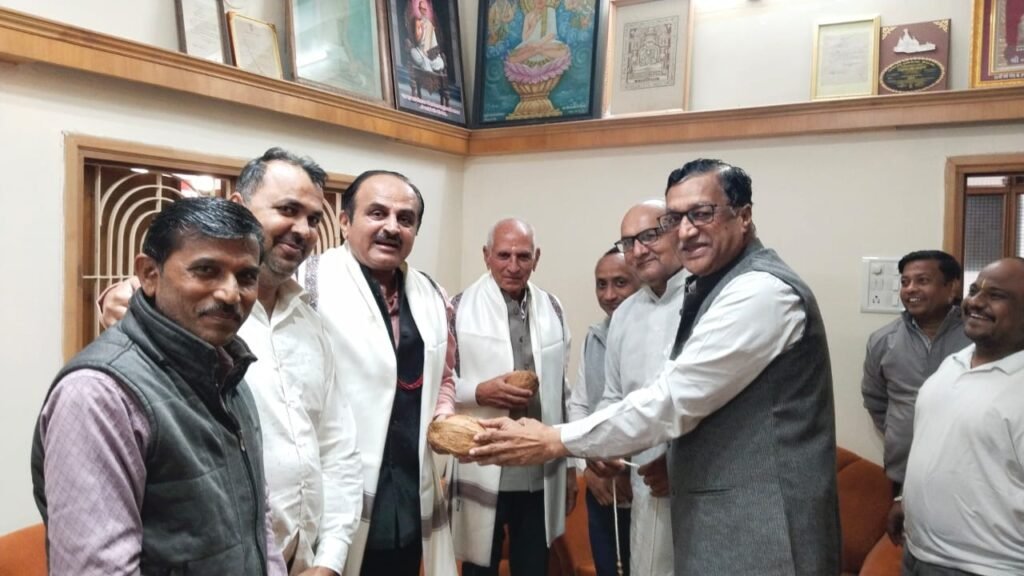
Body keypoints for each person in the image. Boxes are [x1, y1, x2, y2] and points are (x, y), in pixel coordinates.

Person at [469, 158, 842, 576]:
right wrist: (599, 451)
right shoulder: (691, 295)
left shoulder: (760, 292)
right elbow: (619, 396)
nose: (686, 230)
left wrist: (557, 440)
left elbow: (673, 399)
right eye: (676, 219)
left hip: (763, 529)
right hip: (690, 507)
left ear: (744, 216)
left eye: (702, 213)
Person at [97, 149, 365, 576]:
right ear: (239, 208)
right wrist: (126, 295)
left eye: (314, 218)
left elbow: (336, 447)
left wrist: (330, 558)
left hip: (302, 561)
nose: (303, 229)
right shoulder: (195, 319)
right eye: (288, 210)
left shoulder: (311, 323)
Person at [31, 197, 288, 575]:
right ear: (149, 274)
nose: (230, 293)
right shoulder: (98, 395)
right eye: (206, 270)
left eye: (246, 277)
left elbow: (258, 521)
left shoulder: (228, 371)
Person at [298, 170, 458, 576]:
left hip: (408, 494)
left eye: (405, 219)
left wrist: (443, 415)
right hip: (333, 495)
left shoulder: (432, 295)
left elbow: (444, 377)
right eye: (377, 213)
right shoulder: (306, 285)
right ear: (345, 220)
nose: (391, 227)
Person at [450, 218, 574, 576]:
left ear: (537, 258)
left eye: (523, 256)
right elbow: (439, 384)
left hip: (538, 463)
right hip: (483, 459)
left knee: (534, 566)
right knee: (479, 567)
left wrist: (571, 466)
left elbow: (562, 390)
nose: (513, 266)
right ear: (486, 255)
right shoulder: (458, 307)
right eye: (504, 255)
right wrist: (479, 391)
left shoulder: (552, 307)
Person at [898, 257, 1024, 575]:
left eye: (996, 295)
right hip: (918, 553)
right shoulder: (954, 363)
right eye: (974, 290)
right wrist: (905, 500)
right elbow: (941, 443)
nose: (975, 302)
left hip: (988, 567)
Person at [599, 200, 686, 576]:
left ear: (678, 231)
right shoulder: (625, 314)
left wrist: (680, 465)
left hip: (703, 486)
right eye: (627, 242)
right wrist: (602, 447)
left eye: (649, 235)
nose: (638, 250)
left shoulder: (709, 299)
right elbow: (613, 396)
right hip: (645, 485)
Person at [860, 250, 969, 529]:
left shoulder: (977, 338)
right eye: (905, 282)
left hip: (969, 471)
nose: (910, 289)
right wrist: (899, 428)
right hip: (906, 471)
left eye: (922, 281)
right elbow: (875, 399)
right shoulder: (883, 340)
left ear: (952, 287)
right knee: (910, 545)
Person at [566, 247, 640, 576]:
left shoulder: (659, 334)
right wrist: (589, 469)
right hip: (601, 488)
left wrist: (628, 473)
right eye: (601, 284)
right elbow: (580, 405)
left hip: (644, 487)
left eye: (620, 283)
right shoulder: (595, 337)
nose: (609, 295)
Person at [407, 0, 445, 73]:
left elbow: (434, 43)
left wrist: (434, 52)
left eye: (425, 9)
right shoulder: (417, 22)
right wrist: (422, 29)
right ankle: (427, 67)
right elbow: (417, 40)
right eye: (422, 9)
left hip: (430, 55)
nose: (424, 11)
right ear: (419, 9)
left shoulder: (429, 23)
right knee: (413, 52)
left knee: (440, 63)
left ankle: (428, 65)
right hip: (421, 51)